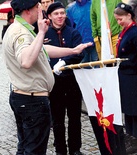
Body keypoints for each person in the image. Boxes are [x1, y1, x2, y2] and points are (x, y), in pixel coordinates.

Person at [2, 0, 91, 154]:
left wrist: (73, 51)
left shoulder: (23, 28)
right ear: (28, 10)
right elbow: (26, 60)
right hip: (32, 101)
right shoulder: (20, 32)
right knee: (34, 149)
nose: (41, 8)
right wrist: (42, 32)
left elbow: (42, 49)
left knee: (24, 147)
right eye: (38, 6)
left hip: (29, 97)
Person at [44, 2, 85, 155]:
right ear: (49, 16)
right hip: (54, 83)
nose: (60, 16)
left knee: (75, 118)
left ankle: (75, 149)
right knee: (57, 119)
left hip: (72, 82)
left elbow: (79, 53)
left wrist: (65, 61)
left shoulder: (73, 33)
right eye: (56, 13)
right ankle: (60, 149)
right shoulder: (45, 34)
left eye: (62, 13)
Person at [114, 2, 137, 154]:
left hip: (131, 78)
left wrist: (132, 68)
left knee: (134, 110)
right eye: (116, 19)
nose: (118, 22)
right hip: (124, 77)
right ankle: (129, 137)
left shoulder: (135, 33)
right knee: (127, 110)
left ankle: (135, 140)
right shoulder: (125, 31)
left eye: (120, 18)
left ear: (129, 15)